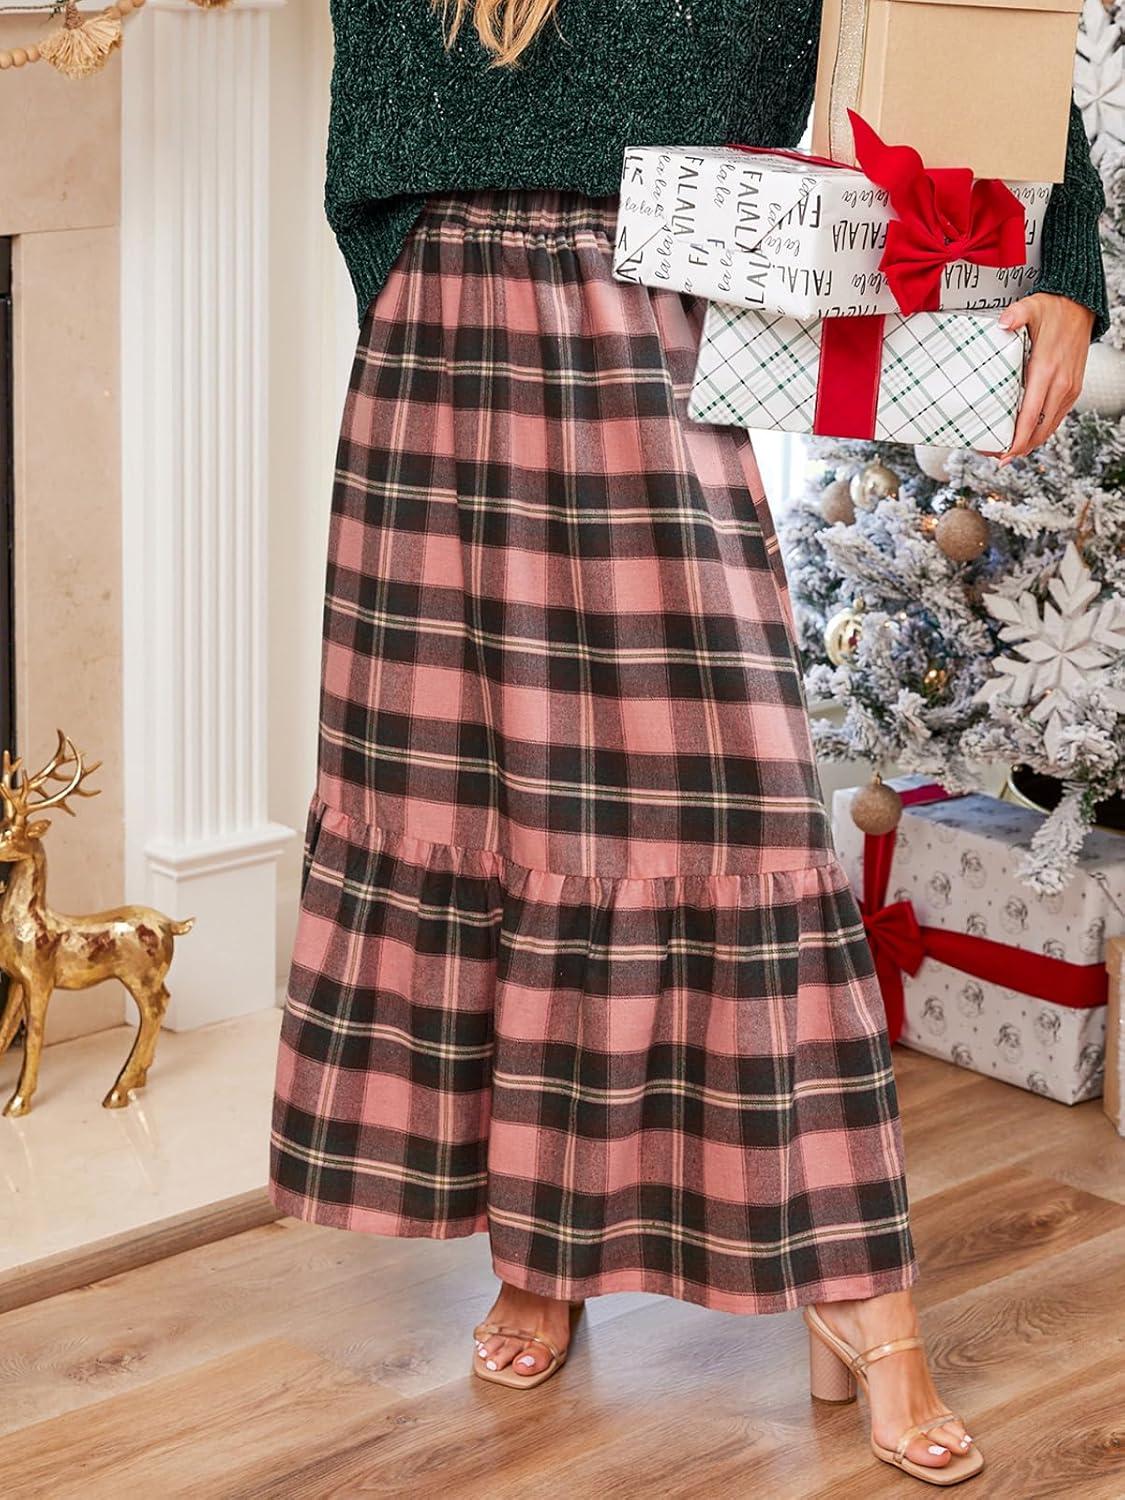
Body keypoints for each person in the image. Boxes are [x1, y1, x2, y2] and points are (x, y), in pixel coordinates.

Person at [269, 0, 1107, 1485]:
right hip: (432, 336)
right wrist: (396, 275)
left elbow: (986, 19)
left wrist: (1063, 268)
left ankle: (862, 1296)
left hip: (653, 318)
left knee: (729, 815)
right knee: (479, 800)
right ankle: (539, 1246)